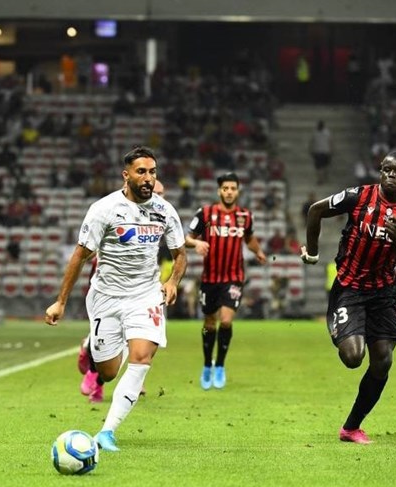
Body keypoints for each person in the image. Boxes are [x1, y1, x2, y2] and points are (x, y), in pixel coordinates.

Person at [45, 146, 187, 452]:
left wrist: (173, 281)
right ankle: (91, 347)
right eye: (141, 172)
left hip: (145, 295)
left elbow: (179, 254)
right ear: (126, 175)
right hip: (107, 297)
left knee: (141, 357)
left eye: (152, 172)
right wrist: (61, 301)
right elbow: (80, 256)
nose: (148, 178)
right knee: (108, 372)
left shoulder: (165, 211)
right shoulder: (104, 209)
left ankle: (107, 432)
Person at [301, 151, 396, 444]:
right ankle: (351, 327)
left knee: (382, 361)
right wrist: (313, 253)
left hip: (385, 291)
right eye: (386, 169)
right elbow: (315, 210)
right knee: (353, 357)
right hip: (350, 287)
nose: (390, 174)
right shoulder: (359, 196)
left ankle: (351, 427)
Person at [78, 179, 166, 403]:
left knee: (139, 336)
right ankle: (92, 358)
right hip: (109, 285)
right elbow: (89, 249)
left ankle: (128, 377)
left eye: (162, 193)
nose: (159, 196)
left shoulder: (160, 216)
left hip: (140, 290)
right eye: (156, 192)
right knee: (109, 341)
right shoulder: (115, 210)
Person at [185, 173, 267, 390]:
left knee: (227, 320)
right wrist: (196, 244)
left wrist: (258, 251)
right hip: (210, 278)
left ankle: (220, 365)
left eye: (233, 188)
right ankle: (207, 365)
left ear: (238, 191)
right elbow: (187, 238)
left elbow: (249, 238)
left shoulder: (245, 216)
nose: (229, 192)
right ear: (219, 191)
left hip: (233, 277)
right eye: (225, 188)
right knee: (209, 323)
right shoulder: (205, 213)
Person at [309, 120, 333, 185]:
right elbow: (330, 141)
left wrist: (311, 149)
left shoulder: (315, 132)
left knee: (319, 167)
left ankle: (321, 179)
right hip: (325, 151)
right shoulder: (327, 132)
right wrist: (331, 150)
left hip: (318, 152)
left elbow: (312, 142)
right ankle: (324, 178)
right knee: (324, 166)